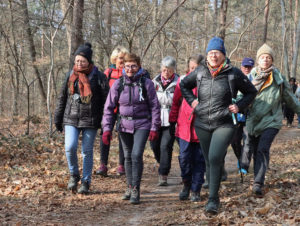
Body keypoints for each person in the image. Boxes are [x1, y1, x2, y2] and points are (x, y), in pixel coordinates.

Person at [180, 37, 257, 214]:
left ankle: (213, 200)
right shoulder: (200, 72)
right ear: (207, 55)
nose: (214, 56)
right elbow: (184, 85)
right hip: (202, 123)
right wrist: (193, 102)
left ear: (223, 55)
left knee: (214, 157)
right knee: (209, 160)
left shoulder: (233, 73)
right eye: (211, 52)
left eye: (217, 53)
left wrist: (239, 106)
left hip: (224, 123)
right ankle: (214, 189)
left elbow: (251, 92)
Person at [101, 53, 161, 204]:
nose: (130, 69)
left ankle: (135, 188)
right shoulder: (118, 84)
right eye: (127, 66)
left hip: (142, 124)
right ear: (123, 67)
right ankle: (129, 186)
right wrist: (107, 128)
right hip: (124, 125)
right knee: (127, 156)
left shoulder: (147, 84)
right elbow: (109, 107)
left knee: (136, 155)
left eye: (133, 66)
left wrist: (154, 127)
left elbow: (155, 107)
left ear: (139, 66)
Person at [246, 43, 300, 196]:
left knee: (263, 148)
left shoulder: (278, 78)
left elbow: (289, 98)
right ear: (258, 59)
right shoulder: (251, 77)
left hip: (272, 120)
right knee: (256, 150)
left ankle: (258, 183)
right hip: (254, 120)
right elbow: (240, 96)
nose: (265, 59)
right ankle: (258, 177)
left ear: (272, 60)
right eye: (263, 57)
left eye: (268, 57)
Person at [54, 43, 108, 194]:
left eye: (82, 61)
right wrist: (57, 119)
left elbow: (106, 101)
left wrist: (106, 122)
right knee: (70, 147)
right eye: (77, 61)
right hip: (70, 118)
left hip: (91, 119)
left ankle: (86, 181)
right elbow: (62, 98)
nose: (79, 64)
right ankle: (74, 175)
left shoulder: (99, 76)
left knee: (86, 151)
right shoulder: (70, 75)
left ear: (89, 62)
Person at [169, 54, 206, 202]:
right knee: (184, 158)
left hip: (201, 128)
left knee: (199, 160)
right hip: (183, 128)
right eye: (191, 69)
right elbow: (176, 102)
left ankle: (196, 189)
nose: (193, 72)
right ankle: (186, 184)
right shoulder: (182, 81)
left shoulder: (208, 82)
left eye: (196, 69)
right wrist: (172, 121)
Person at [96, 46, 129, 176]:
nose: (123, 60)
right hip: (109, 109)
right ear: (114, 59)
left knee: (123, 136)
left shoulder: (129, 72)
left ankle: (121, 165)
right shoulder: (108, 72)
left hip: (124, 110)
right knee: (105, 134)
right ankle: (103, 165)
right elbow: (101, 91)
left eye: (125, 58)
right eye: (121, 58)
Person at [150, 56, 179, 186]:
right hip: (155, 118)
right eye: (164, 69)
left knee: (165, 146)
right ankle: (163, 163)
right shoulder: (153, 82)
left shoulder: (179, 82)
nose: (166, 72)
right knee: (154, 145)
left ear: (173, 70)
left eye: (169, 70)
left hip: (171, 118)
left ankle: (163, 174)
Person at [231, 57, 254, 173]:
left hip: (250, 114)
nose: (247, 69)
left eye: (249, 67)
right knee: (234, 140)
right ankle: (240, 158)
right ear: (241, 67)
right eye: (245, 66)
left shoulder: (255, 79)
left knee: (248, 140)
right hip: (236, 114)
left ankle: (244, 165)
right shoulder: (235, 77)